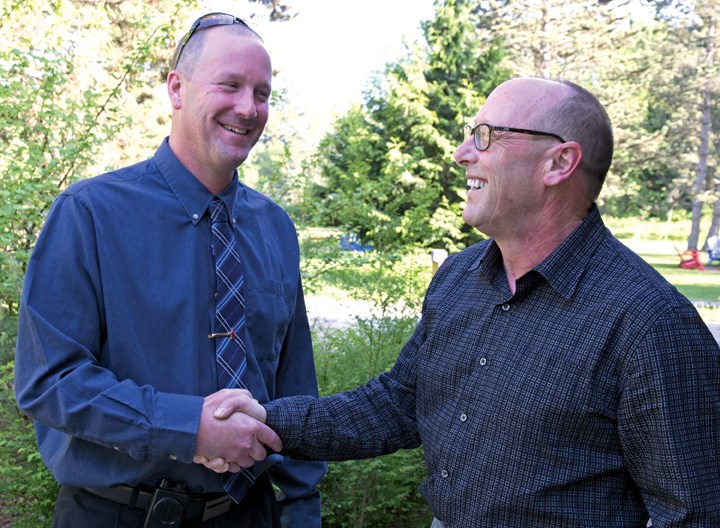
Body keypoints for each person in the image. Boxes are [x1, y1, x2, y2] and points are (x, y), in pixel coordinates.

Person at [202, 77, 720, 526]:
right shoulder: (459, 277)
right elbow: (400, 403)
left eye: (486, 136)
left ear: (559, 162)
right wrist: (269, 420)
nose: (462, 153)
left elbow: (696, 513)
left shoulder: (650, 324)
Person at [14, 12, 326, 528]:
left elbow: (294, 389)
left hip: (252, 514)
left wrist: (302, 508)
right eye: (230, 85)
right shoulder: (89, 213)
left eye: (263, 93)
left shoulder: (276, 229)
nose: (248, 108)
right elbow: (50, 380)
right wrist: (187, 427)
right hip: (116, 514)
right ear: (177, 89)